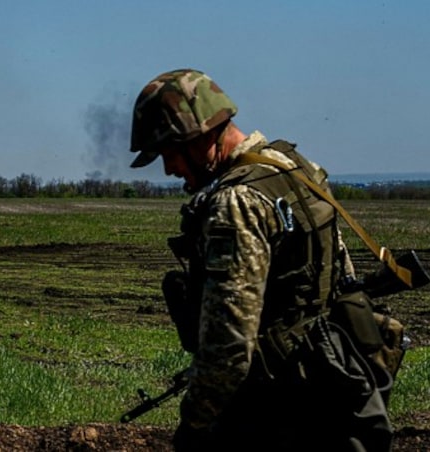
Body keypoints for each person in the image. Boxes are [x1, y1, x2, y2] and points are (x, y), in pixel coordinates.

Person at [129, 69, 394, 451]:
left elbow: (231, 340)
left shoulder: (236, 203)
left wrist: (194, 424)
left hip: (277, 408)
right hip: (335, 383)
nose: (170, 169)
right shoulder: (295, 167)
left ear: (200, 135)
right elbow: (341, 275)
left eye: (170, 152)